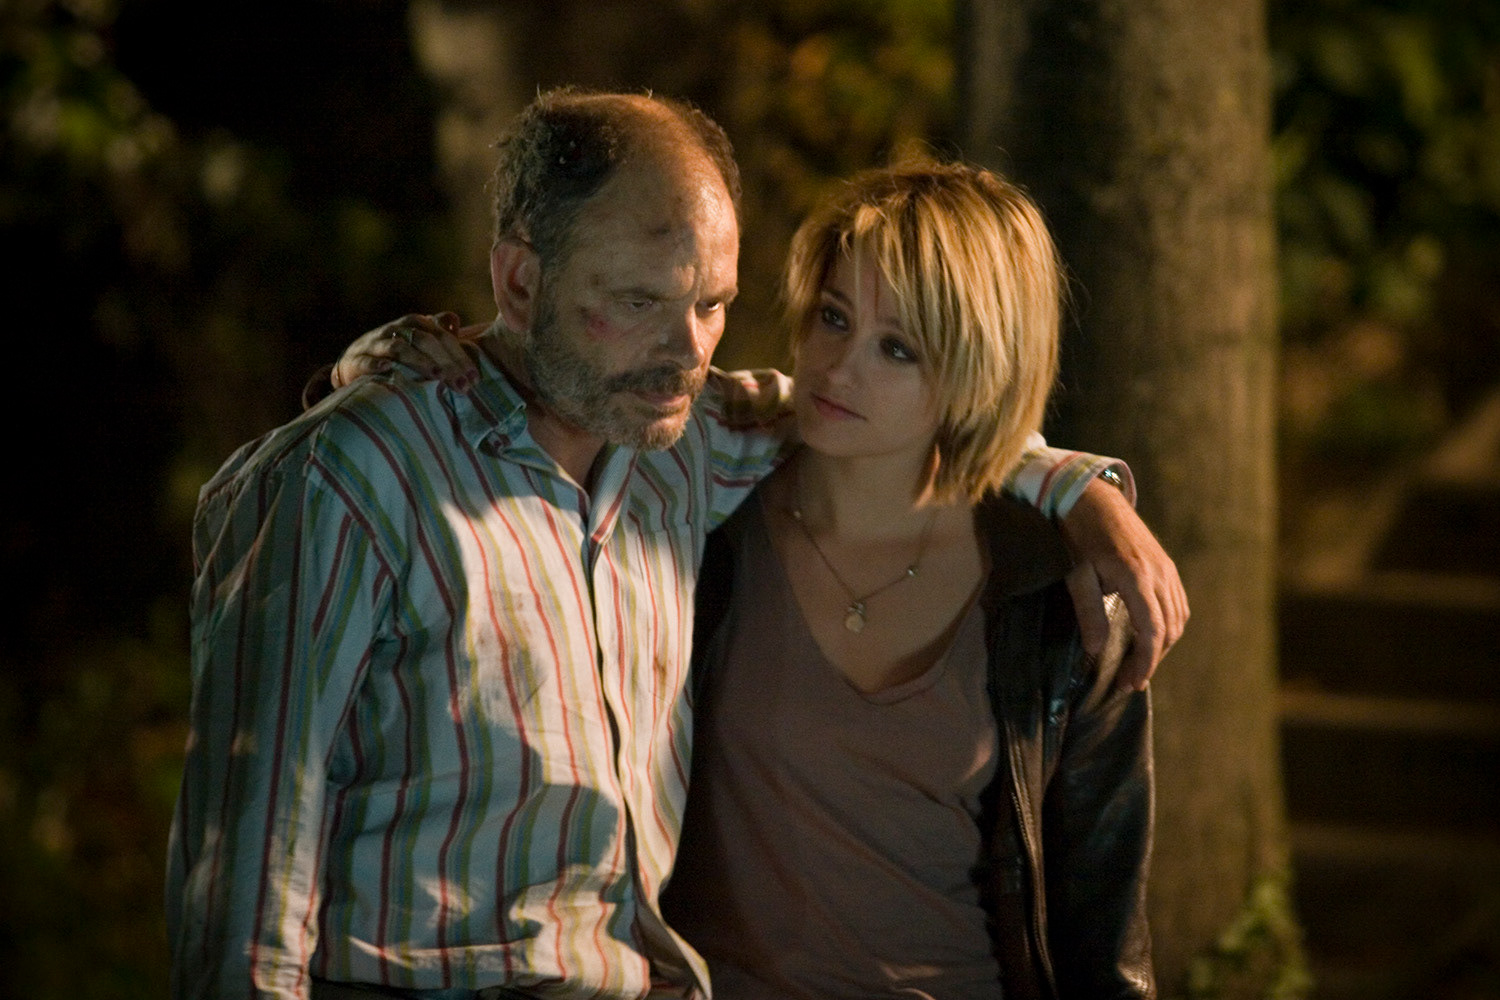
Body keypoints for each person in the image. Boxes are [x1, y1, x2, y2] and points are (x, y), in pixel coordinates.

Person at [168, 87, 1181, 1000]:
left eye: (712, 305)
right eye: (639, 302)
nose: (689, 349)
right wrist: (376, 358)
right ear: (518, 283)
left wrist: (1078, 487)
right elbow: (249, 871)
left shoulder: (682, 446)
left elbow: (908, 413)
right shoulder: (348, 481)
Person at [659, 162, 1154, 999]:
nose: (838, 368)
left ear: (975, 371)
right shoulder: (706, 517)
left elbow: (1101, 928)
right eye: (833, 316)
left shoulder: (1050, 590)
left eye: (897, 349)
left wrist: (1082, 492)